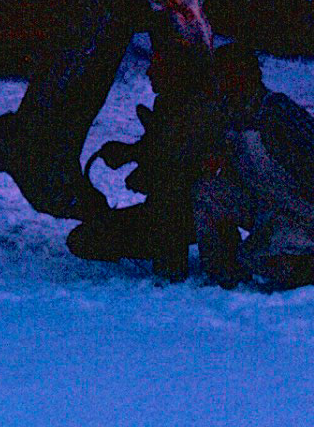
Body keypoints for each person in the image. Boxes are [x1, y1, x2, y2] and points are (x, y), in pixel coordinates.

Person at [193, 44, 314, 290]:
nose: (223, 84)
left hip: (305, 213)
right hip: (268, 208)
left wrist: (306, 189)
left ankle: (305, 263)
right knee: (207, 194)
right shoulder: (229, 115)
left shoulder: (276, 109)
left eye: (229, 76)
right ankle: (224, 272)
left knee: (260, 261)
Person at [69, 40, 220, 280]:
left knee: (164, 212)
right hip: (166, 208)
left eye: (158, 66)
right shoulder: (168, 104)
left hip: (187, 212)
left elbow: (184, 165)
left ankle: (171, 264)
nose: (149, 72)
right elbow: (156, 149)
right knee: (85, 237)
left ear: (175, 72)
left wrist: (147, 173)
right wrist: (129, 153)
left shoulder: (200, 111)